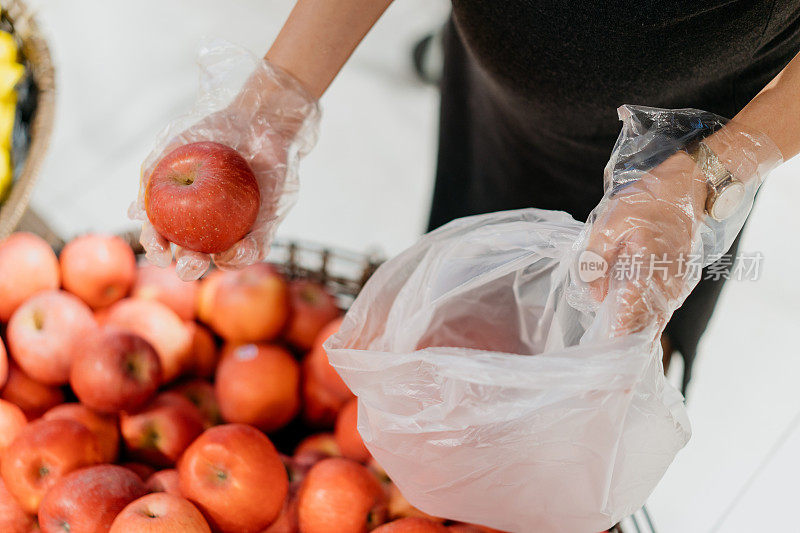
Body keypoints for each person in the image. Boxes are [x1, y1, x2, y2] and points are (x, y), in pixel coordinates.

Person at [143, 2, 800, 392]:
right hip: (493, 102)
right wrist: (273, 102)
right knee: (464, 300)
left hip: (690, 153)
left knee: (614, 362)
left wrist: (716, 169)